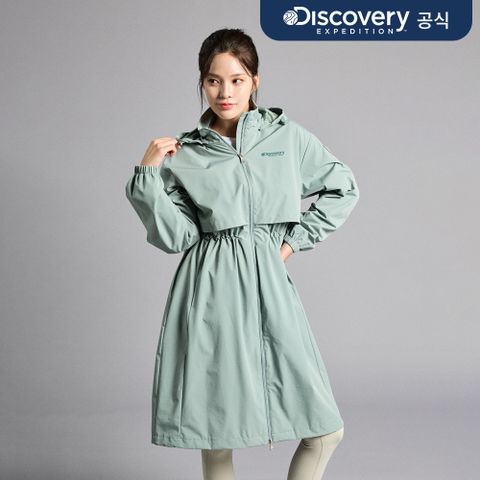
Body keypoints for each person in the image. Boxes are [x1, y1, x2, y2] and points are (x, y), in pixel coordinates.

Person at [125, 28, 359, 480]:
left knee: (325, 431)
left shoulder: (287, 137)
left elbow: (342, 188)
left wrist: (290, 244)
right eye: (213, 81)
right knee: (216, 432)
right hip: (209, 290)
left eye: (236, 80)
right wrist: (147, 176)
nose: (225, 92)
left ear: (255, 80)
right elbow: (176, 237)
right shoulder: (186, 152)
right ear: (202, 83)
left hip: (270, 285)